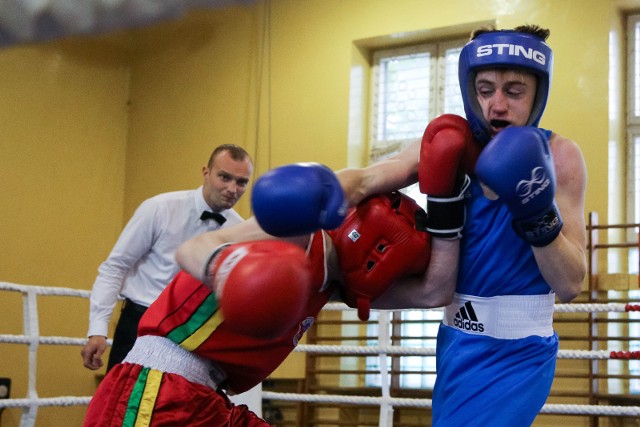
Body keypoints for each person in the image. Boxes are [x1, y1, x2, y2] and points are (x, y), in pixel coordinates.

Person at [82, 162, 464, 426]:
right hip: (154, 390)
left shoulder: (340, 284)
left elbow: (435, 292)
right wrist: (228, 272)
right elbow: (191, 250)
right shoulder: (296, 232)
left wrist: (449, 205)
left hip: (206, 399)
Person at [337, 24, 587, 426]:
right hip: (456, 341)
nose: (497, 105)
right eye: (485, 89)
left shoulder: (559, 156)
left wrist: (535, 212)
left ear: (538, 93)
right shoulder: (448, 144)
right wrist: (315, 191)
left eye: (514, 90)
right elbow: (368, 178)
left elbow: (572, 284)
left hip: (520, 351)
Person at [81, 144, 254, 372]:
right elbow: (115, 267)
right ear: (206, 172)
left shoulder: (241, 230)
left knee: (178, 406)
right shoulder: (160, 208)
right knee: (122, 404)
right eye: (224, 177)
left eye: (241, 182)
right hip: (140, 321)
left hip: (193, 332)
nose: (232, 188)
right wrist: (97, 329)